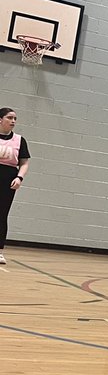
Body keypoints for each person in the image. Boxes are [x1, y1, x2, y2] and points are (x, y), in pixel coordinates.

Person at [0, 107, 30, 265]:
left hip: (7, 179)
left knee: (2, 214)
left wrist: (19, 178)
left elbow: (24, 163)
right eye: (10, 118)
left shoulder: (19, 140)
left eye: (15, 119)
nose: (13, 121)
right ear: (0, 119)